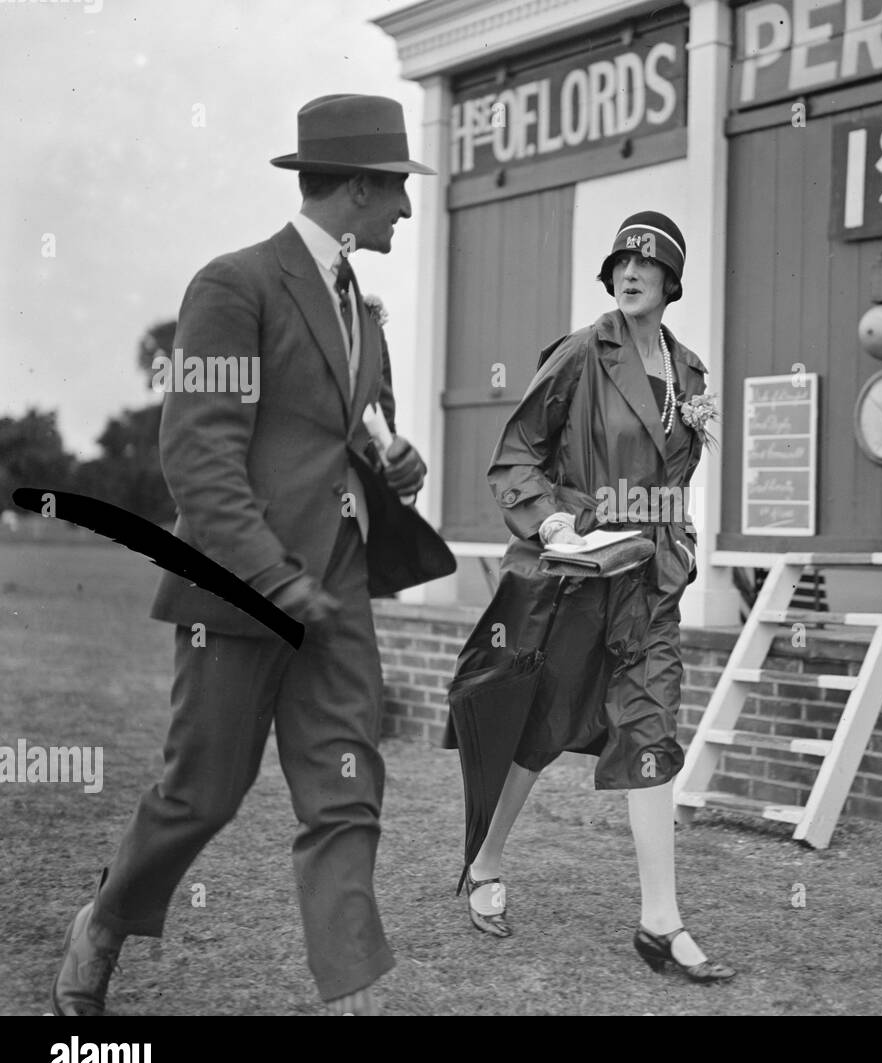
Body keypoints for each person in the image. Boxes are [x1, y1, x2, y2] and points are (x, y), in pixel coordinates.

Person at [50, 94, 454, 1016]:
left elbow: (338, 439)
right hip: (241, 590)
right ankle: (107, 919)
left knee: (346, 787)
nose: (403, 209)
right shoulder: (233, 287)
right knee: (203, 793)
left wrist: (397, 467)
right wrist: (272, 576)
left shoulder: (366, 309)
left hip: (338, 590)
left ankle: (352, 992)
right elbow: (197, 455)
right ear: (357, 186)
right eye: (395, 191)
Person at [448, 211, 734, 983]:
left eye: (647, 264)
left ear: (672, 281)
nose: (631, 273)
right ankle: (485, 858)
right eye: (620, 264)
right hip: (579, 574)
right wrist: (551, 521)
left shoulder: (694, 374)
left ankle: (660, 922)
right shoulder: (582, 353)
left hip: (651, 583)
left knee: (652, 726)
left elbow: (674, 479)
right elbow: (517, 455)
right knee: (542, 725)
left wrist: (675, 539)